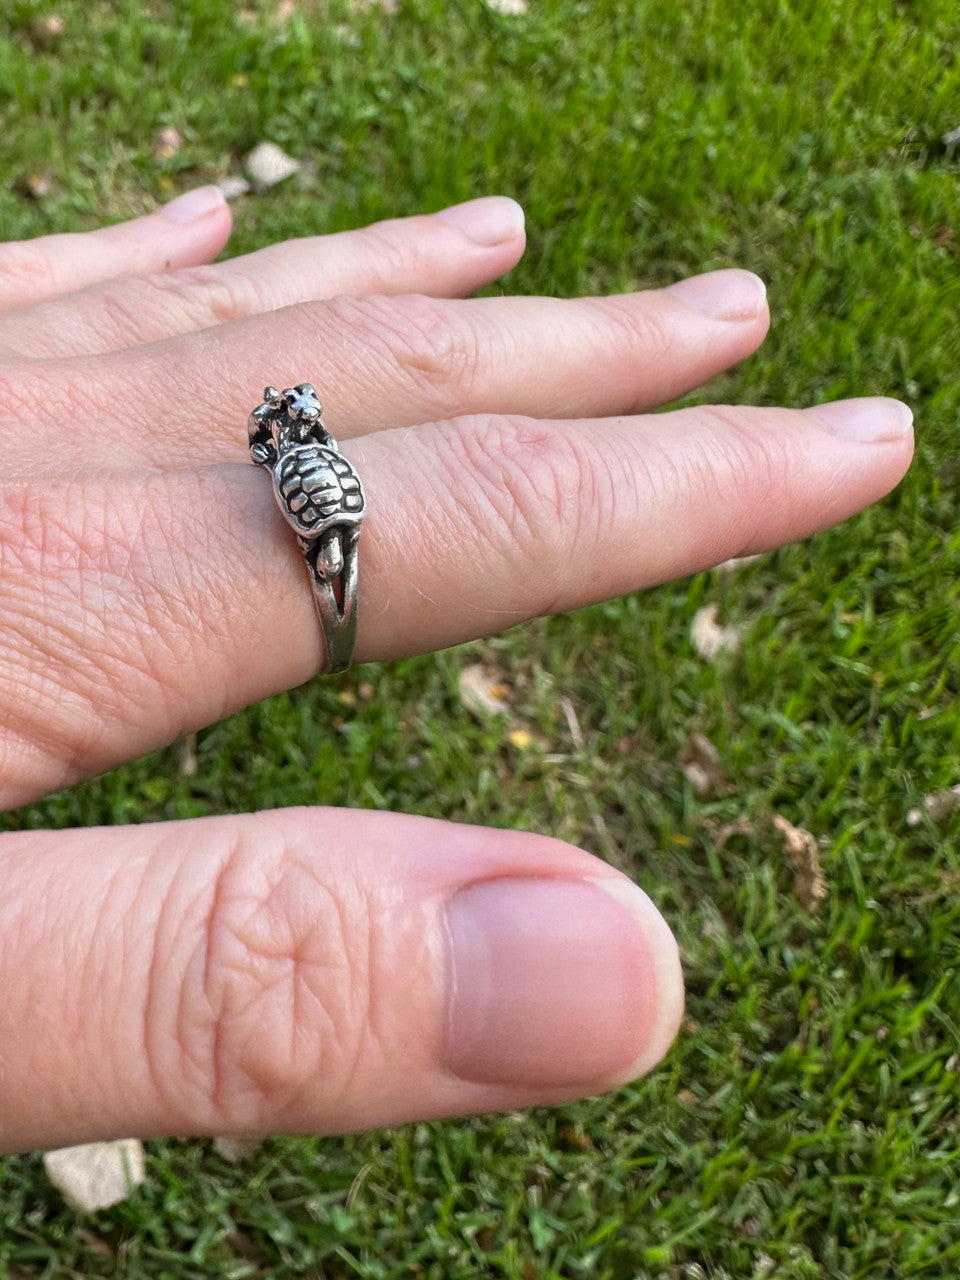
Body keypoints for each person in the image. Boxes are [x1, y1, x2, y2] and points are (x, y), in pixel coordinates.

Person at [0, 186, 913, 1154]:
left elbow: (311, 476)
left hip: (324, 502)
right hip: (316, 503)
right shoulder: (292, 457)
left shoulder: (301, 455)